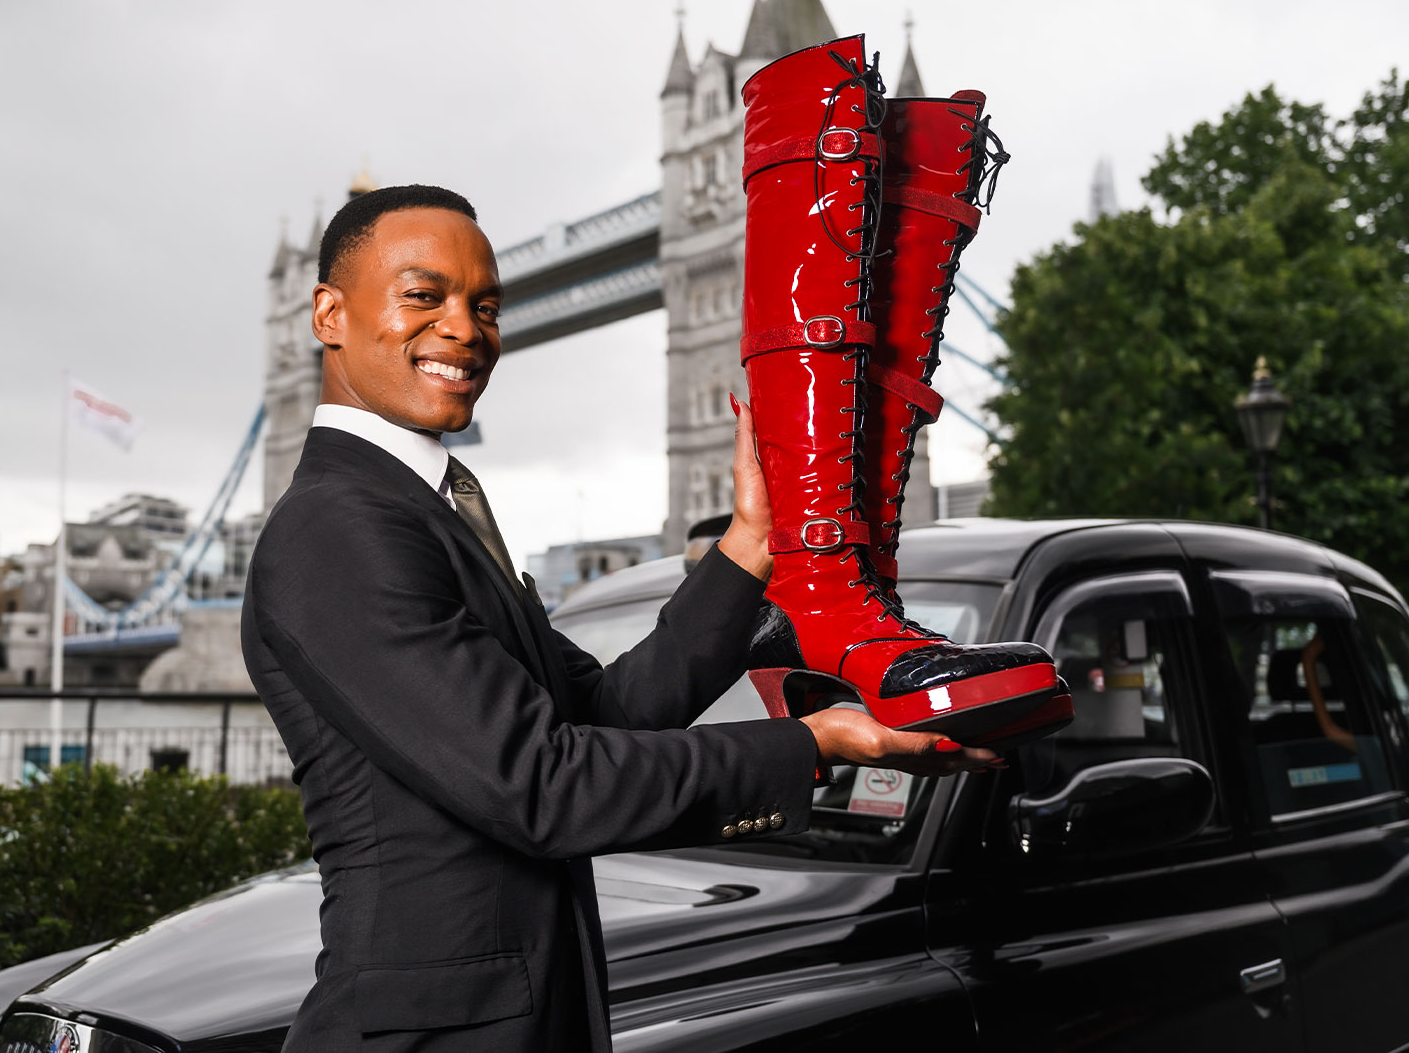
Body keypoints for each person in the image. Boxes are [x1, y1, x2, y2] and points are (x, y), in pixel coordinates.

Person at [239, 184, 1000, 1052]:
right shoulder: (339, 525)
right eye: (424, 296)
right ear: (328, 314)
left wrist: (751, 547)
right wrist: (814, 743)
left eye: (485, 305)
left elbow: (603, 717)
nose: (465, 329)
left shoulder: (421, 513)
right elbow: (543, 786)